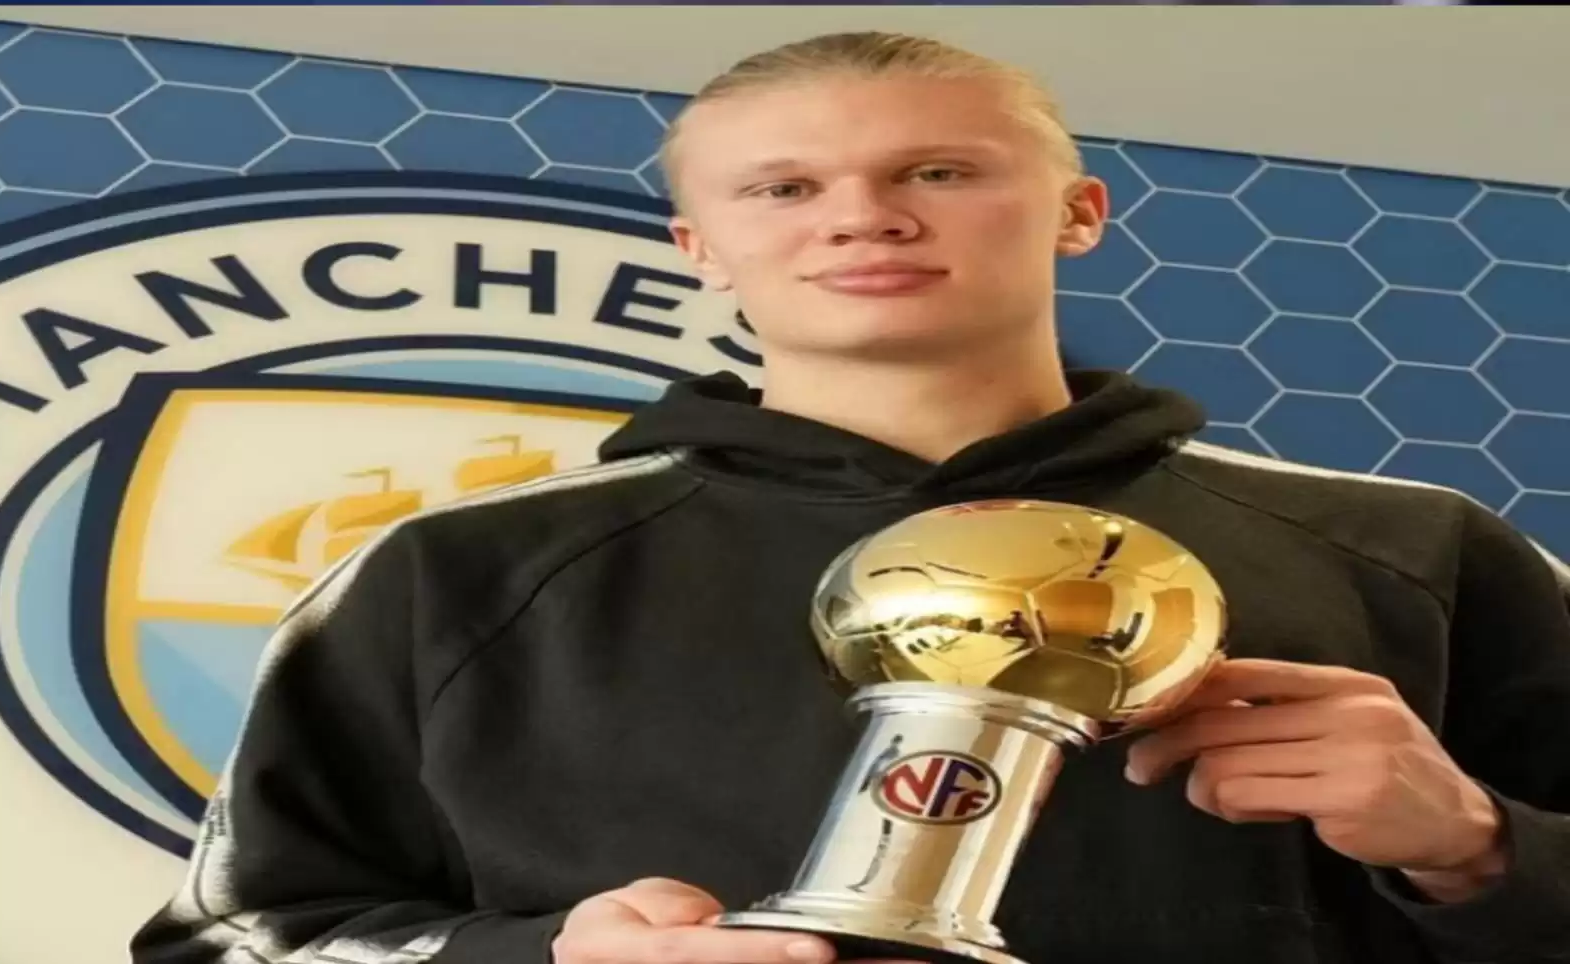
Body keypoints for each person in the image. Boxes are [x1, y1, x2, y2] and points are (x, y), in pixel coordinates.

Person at [130, 30, 1570, 964]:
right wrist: (544, 955)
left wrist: (1480, 851)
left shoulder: (1414, 550)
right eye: (782, 189)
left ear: (1079, 212)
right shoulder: (451, 575)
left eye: (938, 170)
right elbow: (233, 943)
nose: (864, 217)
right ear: (699, 245)